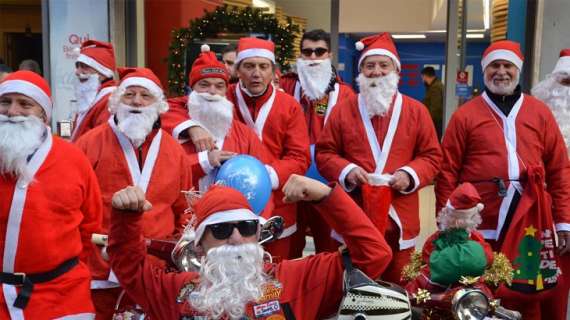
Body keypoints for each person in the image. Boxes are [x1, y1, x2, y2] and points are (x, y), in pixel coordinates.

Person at [108, 174, 392, 319]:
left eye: (245, 228)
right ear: (200, 246)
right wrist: (126, 218)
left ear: (258, 233)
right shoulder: (179, 291)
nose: (235, 238)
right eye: (220, 230)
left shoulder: (294, 278)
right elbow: (130, 269)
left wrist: (325, 196)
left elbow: (374, 256)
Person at [436, 40, 570, 319]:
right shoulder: (465, 115)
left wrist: (563, 221)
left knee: (527, 295)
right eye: (494, 66)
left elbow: (558, 170)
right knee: (480, 292)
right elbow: (447, 171)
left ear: (517, 70)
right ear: (484, 71)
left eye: (507, 65)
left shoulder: (539, 112)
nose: (501, 72)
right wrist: (447, 222)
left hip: (530, 222)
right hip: (482, 223)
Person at [315, 32, 442, 285]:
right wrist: (347, 170)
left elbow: (432, 156)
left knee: (400, 285)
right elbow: (325, 153)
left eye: (384, 65)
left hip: (400, 214)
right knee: (351, 283)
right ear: (361, 71)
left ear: (396, 70)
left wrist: (410, 174)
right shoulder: (343, 110)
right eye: (369, 65)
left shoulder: (416, 111)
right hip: (354, 210)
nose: (376, 72)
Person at [76, 67, 192, 319]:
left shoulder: (175, 151)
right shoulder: (89, 144)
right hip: (101, 269)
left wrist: (177, 256)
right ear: (117, 101)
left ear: (158, 105)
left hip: (154, 272)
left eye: (145, 96)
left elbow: (184, 210)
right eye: (129, 95)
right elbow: (75, 208)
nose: (137, 102)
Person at [0, 71, 102, 318]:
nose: (13, 112)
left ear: (43, 114)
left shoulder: (73, 159)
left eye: (25, 104)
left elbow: (91, 225)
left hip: (61, 295)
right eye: (5, 102)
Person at [280, 29, 356, 256]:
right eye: (307, 52)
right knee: (288, 246)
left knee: (329, 248)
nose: (313, 58)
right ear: (300, 56)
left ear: (329, 55)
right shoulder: (284, 86)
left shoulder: (346, 94)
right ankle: (288, 291)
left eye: (319, 52)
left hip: (328, 184)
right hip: (288, 182)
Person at [161, 44, 271, 191]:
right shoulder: (173, 127)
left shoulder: (245, 136)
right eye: (204, 85)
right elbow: (164, 174)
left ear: (226, 90)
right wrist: (205, 159)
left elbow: (261, 181)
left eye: (219, 86)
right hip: (184, 211)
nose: (212, 92)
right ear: (192, 89)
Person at [530, 48, 570, 320]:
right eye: (564, 82)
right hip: (549, 217)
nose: (566, 91)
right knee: (550, 285)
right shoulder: (536, 119)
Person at [71, 40, 117, 142]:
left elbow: (102, 142)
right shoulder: (92, 96)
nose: (77, 72)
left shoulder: (111, 100)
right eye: (77, 66)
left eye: (84, 67)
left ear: (102, 71)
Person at [420, 66, 443, 138]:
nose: (422, 79)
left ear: (425, 76)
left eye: (422, 77)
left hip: (435, 123)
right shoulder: (433, 86)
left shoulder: (435, 88)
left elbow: (435, 108)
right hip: (435, 122)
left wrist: (427, 122)